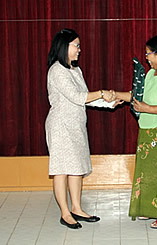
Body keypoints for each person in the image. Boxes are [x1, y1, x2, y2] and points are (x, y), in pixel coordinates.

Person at [113, 35, 157, 229]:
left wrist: (146, 109)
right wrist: (115, 95)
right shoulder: (151, 75)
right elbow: (137, 96)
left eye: (149, 54)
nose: (146, 58)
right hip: (148, 130)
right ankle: (151, 208)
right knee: (148, 173)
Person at [45, 28, 115, 229]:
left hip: (76, 126)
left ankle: (76, 207)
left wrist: (110, 102)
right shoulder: (57, 70)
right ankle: (65, 213)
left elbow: (86, 99)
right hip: (60, 126)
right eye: (76, 45)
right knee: (61, 170)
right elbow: (77, 97)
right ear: (63, 46)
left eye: (79, 45)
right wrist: (103, 93)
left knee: (76, 168)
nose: (79, 49)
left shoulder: (76, 70)